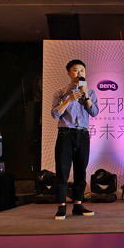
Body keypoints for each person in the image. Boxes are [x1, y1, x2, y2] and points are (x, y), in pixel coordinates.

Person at [51, 59, 99, 220]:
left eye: (82, 70)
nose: (80, 73)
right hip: (65, 134)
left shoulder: (90, 92)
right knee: (63, 171)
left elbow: (94, 112)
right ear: (69, 73)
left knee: (81, 170)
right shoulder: (60, 92)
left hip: (83, 135)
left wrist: (86, 96)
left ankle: (78, 204)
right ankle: (61, 206)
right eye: (76, 70)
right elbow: (55, 114)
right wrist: (69, 99)